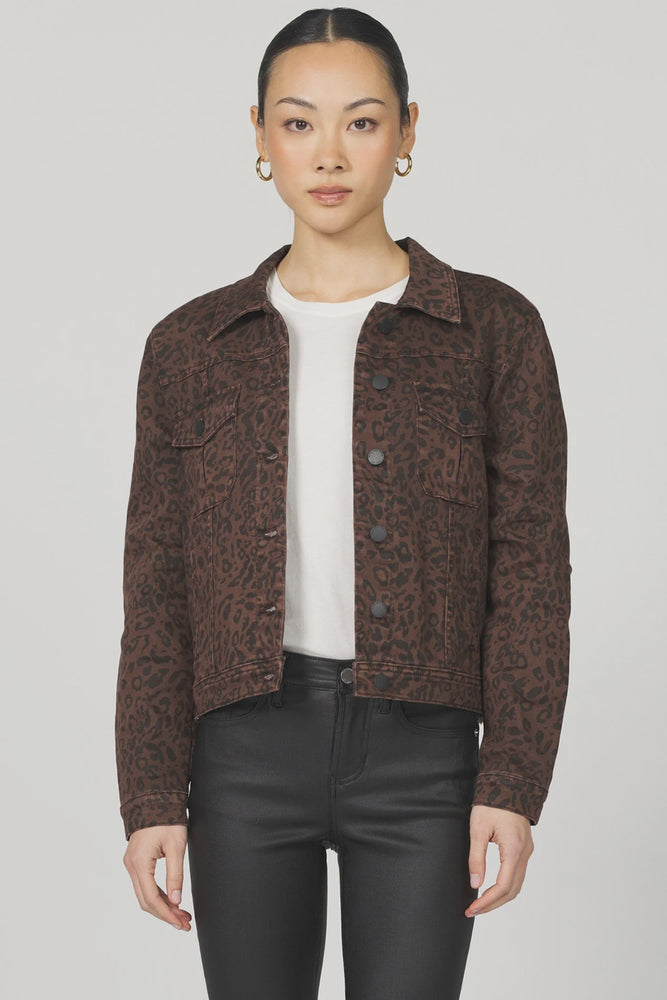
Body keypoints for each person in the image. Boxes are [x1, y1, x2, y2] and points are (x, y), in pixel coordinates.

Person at [115, 8, 572, 999]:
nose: (328, 153)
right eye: (298, 122)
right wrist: (150, 791)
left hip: (425, 758)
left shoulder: (492, 330)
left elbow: (531, 573)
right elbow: (156, 589)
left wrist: (511, 780)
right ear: (259, 134)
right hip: (242, 754)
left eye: (361, 122)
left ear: (407, 130)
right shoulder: (191, 347)